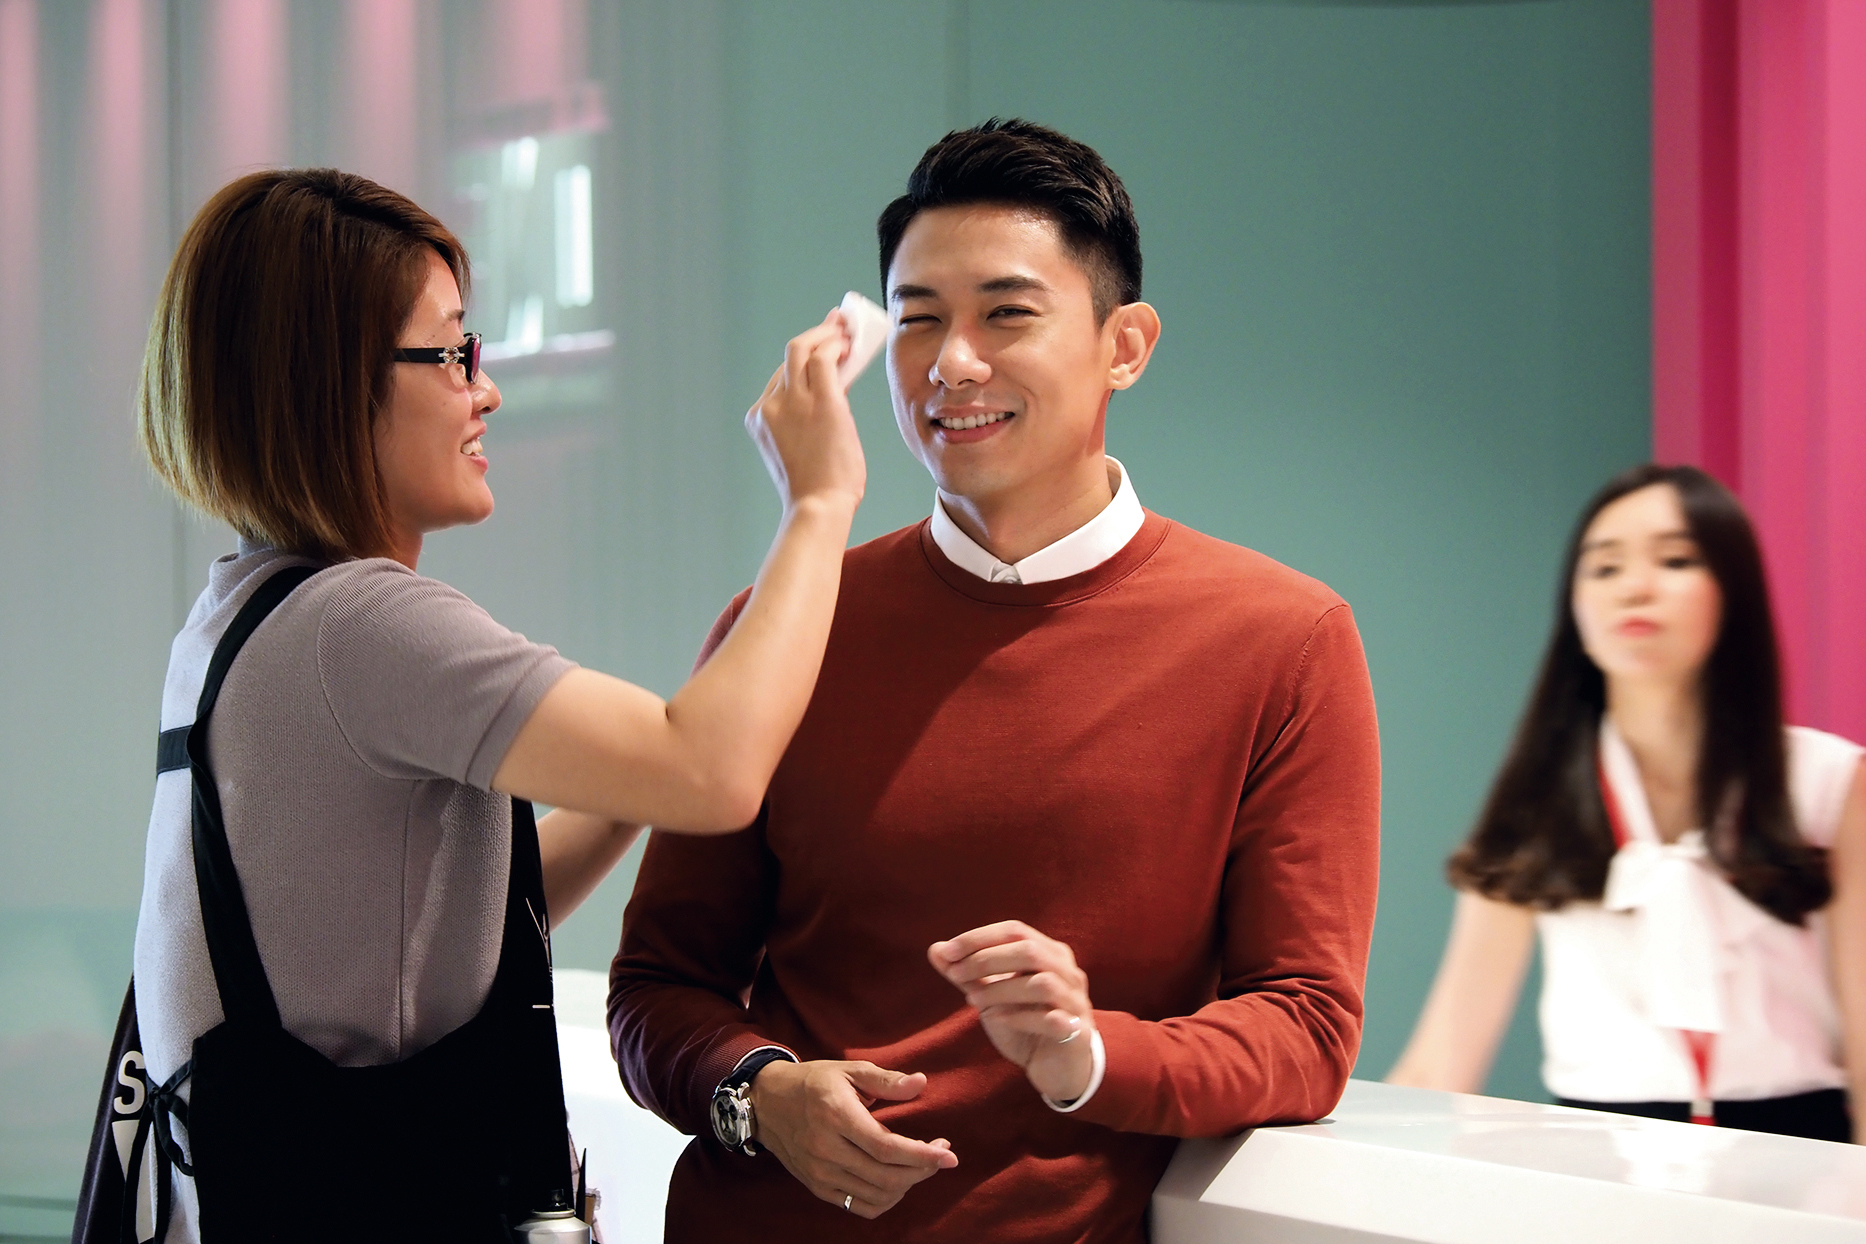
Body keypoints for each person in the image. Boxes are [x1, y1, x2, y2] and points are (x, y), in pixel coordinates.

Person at [609, 119, 1382, 1243]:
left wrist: (1091, 1053)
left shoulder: (1284, 638)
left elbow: (1306, 1026)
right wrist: (759, 1091)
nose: (951, 363)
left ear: (1126, 345)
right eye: (918, 318)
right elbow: (655, 985)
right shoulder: (785, 623)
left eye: (1006, 314)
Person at [130, 168, 865, 1240]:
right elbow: (714, 770)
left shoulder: (239, 611)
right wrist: (820, 500)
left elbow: (452, 925)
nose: (487, 392)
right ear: (329, 382)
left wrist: (628, 777)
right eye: (453, 353)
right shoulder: (360, 623)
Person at [1387, 464, 1866, 1142]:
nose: (1634, 588)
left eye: (1675, 560)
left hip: (1802, 1156)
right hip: (1602, 1163)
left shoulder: (1829, 780)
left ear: (1735, 591)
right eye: (1604, 568)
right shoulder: (1540, 795)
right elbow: (1442, 1059)